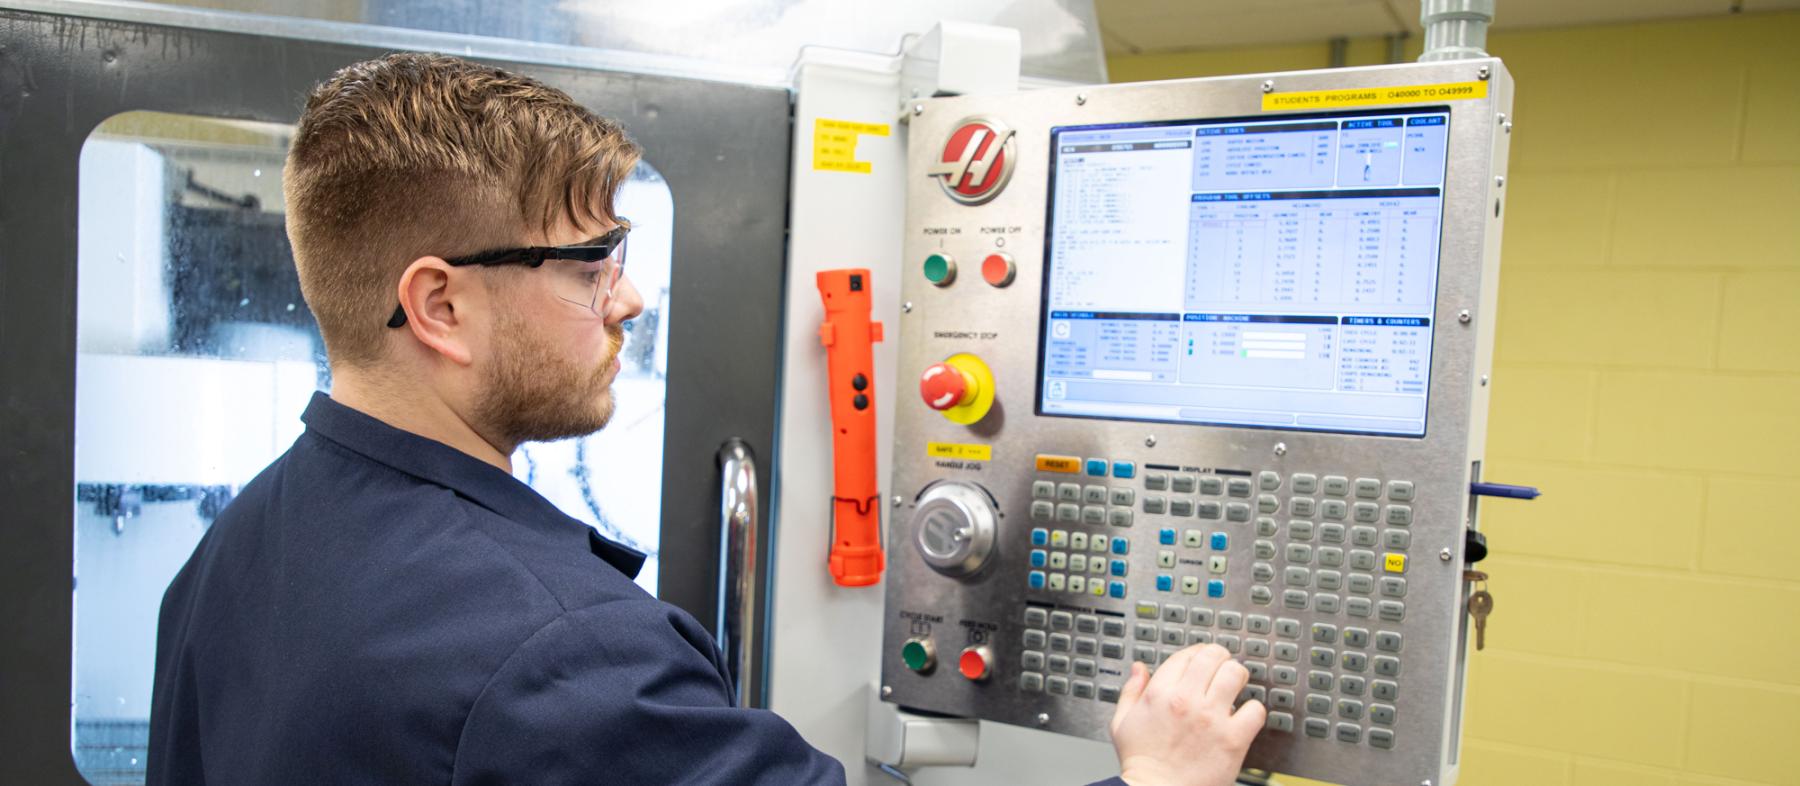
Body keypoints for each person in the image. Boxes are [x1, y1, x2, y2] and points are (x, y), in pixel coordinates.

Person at [147, 53, 1265, 786]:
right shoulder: (556, 658)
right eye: (590, 264)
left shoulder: (229, 559)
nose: (628, 297)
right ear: (441, 304)